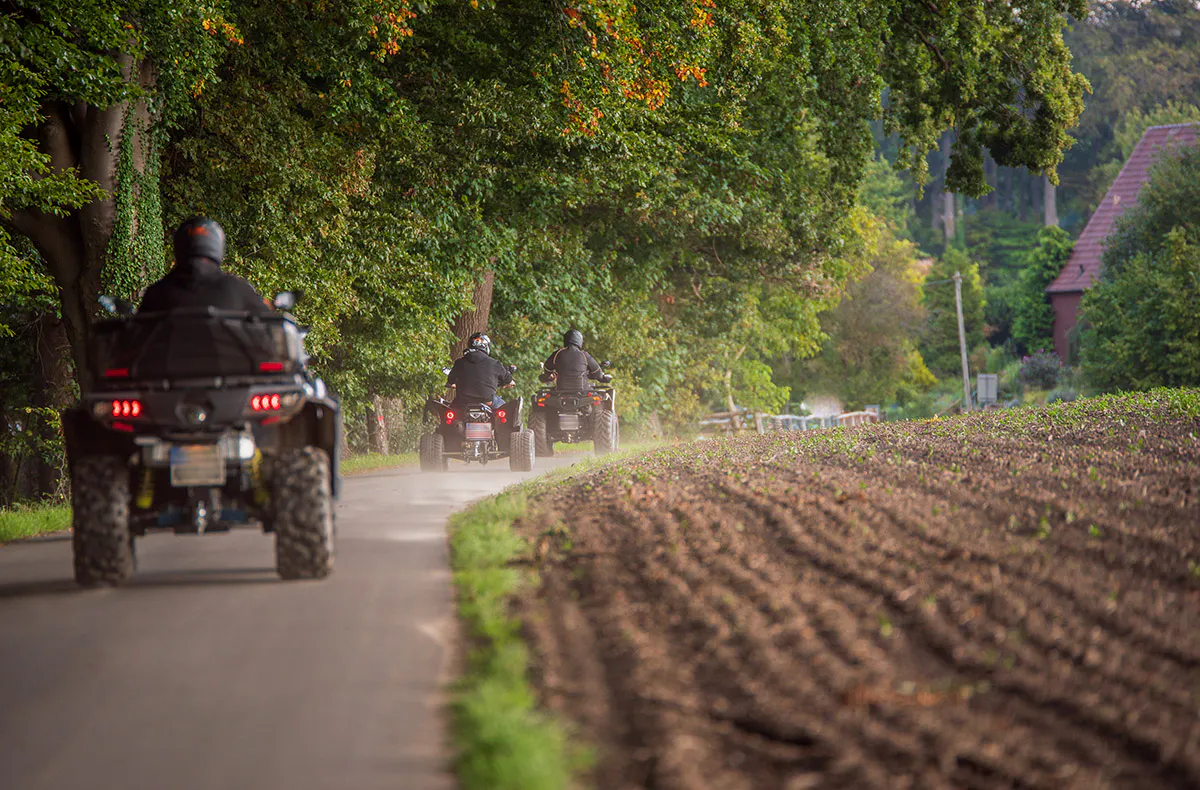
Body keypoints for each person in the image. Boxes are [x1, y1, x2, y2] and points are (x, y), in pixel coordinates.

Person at [138, 217, 272, 314]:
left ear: (178, 247)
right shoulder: (238, 289)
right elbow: (269, 330)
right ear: (218, 248)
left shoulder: (156, 294)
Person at [446, 332, 514, 408]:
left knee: (450, 411)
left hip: (463, 402)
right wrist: (510, 383)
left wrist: (454, 384)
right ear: (486, 346)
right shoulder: (494, 363)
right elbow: (509, 379)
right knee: (505, 410)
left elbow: (451, 380)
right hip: (487, 401)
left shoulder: (459, 362)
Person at [540, 329, 610, 392]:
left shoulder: (557, 353)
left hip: (561, 391)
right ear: (580, 341)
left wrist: (548, 375)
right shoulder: (584, 355)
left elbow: (547, 368)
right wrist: (602, 377)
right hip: (583, 392)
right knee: (601, 395)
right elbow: (597, 372)